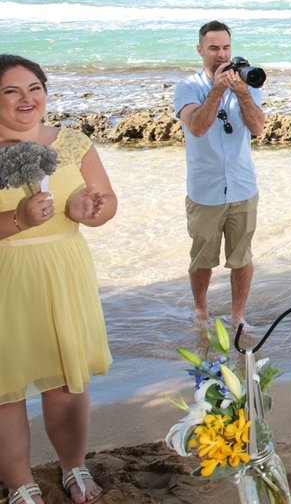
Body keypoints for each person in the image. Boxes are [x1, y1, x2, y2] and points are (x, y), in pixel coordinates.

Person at [0, 55, 117, 504]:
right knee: (6, 389)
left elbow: (107, 203)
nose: (26, 99)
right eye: (11, 91)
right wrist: (17, 219)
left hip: (66, 271)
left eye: (34, 88)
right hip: (8, 275)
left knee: (68, 382)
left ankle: (74, 465)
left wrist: (88, 211)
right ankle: (19, 484)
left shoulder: (73, 143)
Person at [173, 21, 265, 330]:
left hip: (242, 186)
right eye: (213, 48)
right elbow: (197, 127)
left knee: (242, 257)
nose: (220, 54)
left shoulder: (247, 85)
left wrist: (243, 94)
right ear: (200, 50)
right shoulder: (188, 87)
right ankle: (201, 311)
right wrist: (217, 91)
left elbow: (258, 128)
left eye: (225, 47)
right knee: (202, 258)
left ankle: (238, 316)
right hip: (205, 190)